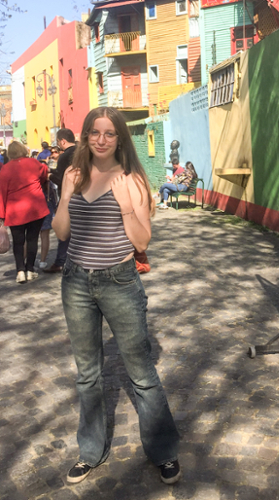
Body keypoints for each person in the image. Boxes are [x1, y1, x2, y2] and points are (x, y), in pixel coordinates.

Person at [52, 106, 180, 485]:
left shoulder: (132, 180)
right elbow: (61, 233)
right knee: (87, 374)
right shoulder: (74, 174)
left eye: (109, 133)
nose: (102, 140)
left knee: (140, 372)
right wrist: (64, 197)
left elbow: (141, 240)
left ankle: (163, 450)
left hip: (120, 281)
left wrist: (125, 206)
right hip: (76, 282)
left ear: (120, 138)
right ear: (86, 136)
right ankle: (90, 451)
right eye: (95, 132)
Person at [0, 141, 49, 283]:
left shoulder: (5, 169)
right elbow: (44, 172)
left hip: (15, 211)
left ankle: (20, 270)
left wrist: (1, 215)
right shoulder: (33, 163)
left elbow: (1, 193)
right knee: (32, 239)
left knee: (18, 242)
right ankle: (30, 269)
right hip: (35, 208)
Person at [44, 129, 76, 273]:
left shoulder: (65, 156)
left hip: (68, 197)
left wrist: (50, 176)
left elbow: (63, 180)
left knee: (63, 230)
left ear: (62, 141)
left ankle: (60, 261)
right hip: (84, 196)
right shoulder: (82, 152)